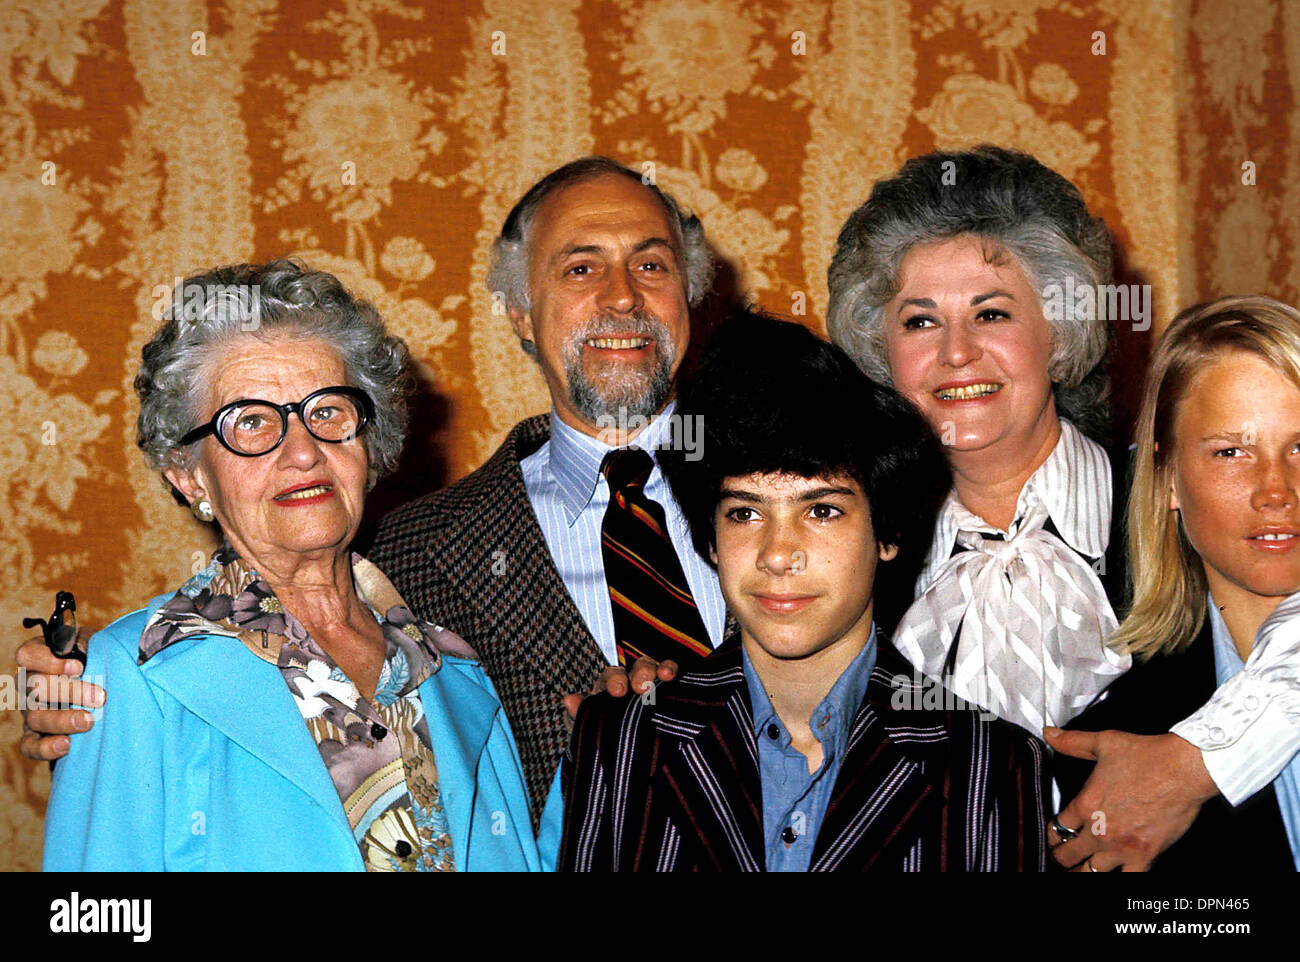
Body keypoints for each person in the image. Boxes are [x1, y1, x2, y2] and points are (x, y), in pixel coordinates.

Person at [20, 157, 725, 828]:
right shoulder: (407, 560)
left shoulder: (821, 493)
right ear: (518, 310)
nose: (624, 295)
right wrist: (93, 700)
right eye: (580, 266)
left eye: (652, 264)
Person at [41, 261, 542, 871]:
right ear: (189, 473)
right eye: (251, 422)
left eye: (328, 411)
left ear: (368, 444)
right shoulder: (135, 675)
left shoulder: (458, 672)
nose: (303, 451)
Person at [560, 312, 1050, 871]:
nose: (777, 554)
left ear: (886, 532)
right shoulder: (622, 740)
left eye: (821, 511)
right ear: (711, 540)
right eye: (745, 513)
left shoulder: (988, 763)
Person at [826, 144, 1128, 736]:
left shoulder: (1173, 502)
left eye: (991, 314)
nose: (956, 352)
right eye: (920, 321)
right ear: (883, 357)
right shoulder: (853, 544)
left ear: (1059, 338)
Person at [1055, 295, 1300, 872]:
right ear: (1166, 479)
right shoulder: (1113, 764)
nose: (1275, 490)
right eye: (1231, 451)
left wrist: (1199, 762)